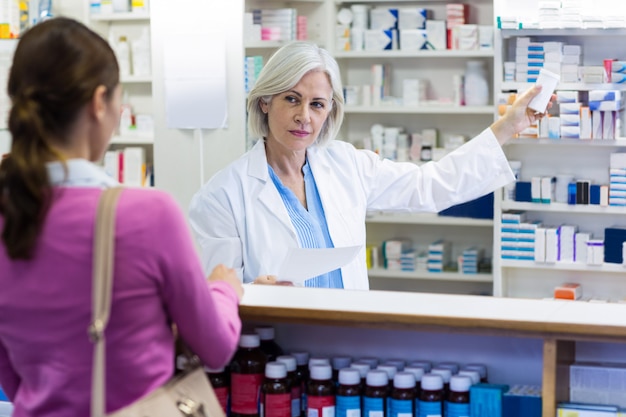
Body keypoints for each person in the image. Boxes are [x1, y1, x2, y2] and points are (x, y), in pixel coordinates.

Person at [0, 17, 243, 416]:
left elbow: (11, 376)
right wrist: (224, 289)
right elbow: (214, 348)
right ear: (99, 103)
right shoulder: (147, 214)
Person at [188, 41, 552, 290]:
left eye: (317, 104)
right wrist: (255, 290)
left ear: (331, 109)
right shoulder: (221, 197)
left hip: (347, 344)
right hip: (276, 351)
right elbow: (216, 298)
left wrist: (507, 126)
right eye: (291, 99)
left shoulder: (346, 164)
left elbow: (431, 185)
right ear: (265, 101)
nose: (304, 117)